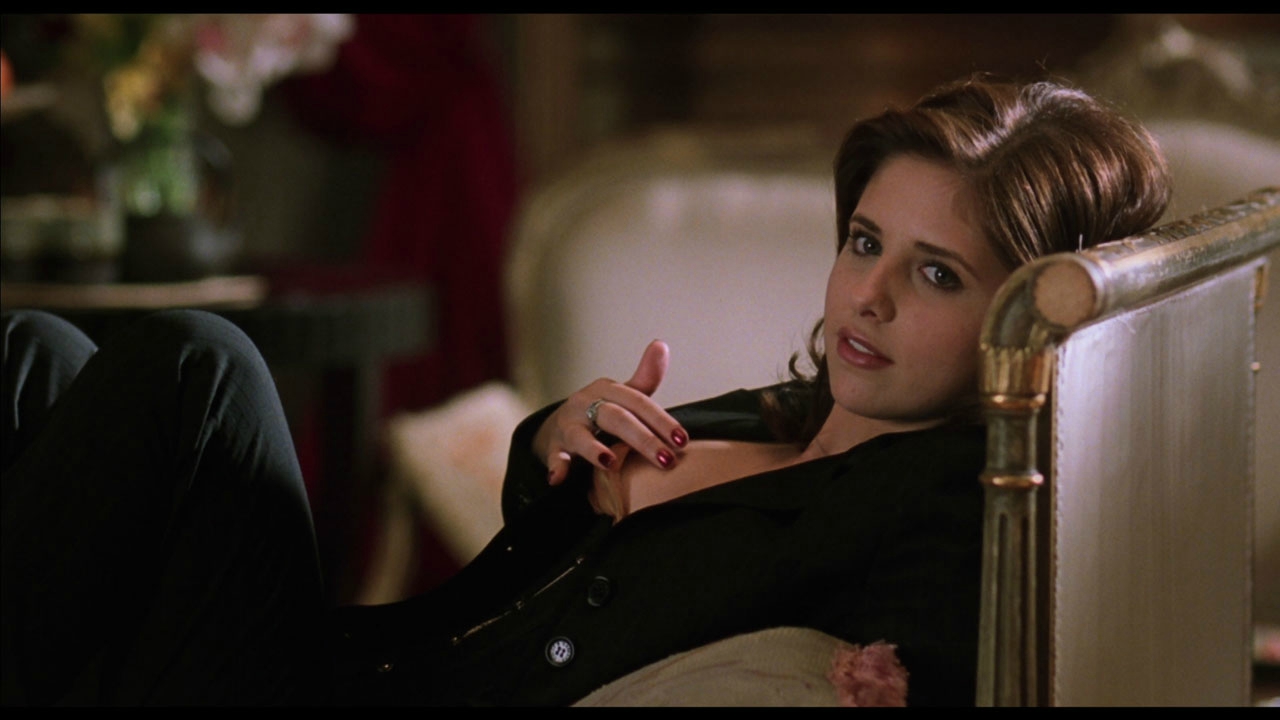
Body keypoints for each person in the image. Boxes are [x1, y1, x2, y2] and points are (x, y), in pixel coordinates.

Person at [1, 72, 1171, 707]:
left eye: (935, 274)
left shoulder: (942, 502)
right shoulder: (793, 414)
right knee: (38, 356)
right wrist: (552, 440)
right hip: (369, 656)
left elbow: (991, 640)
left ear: (1023, 323)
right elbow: (549, 550)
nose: (866, 296)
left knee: (200, 367)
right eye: (863, 242)